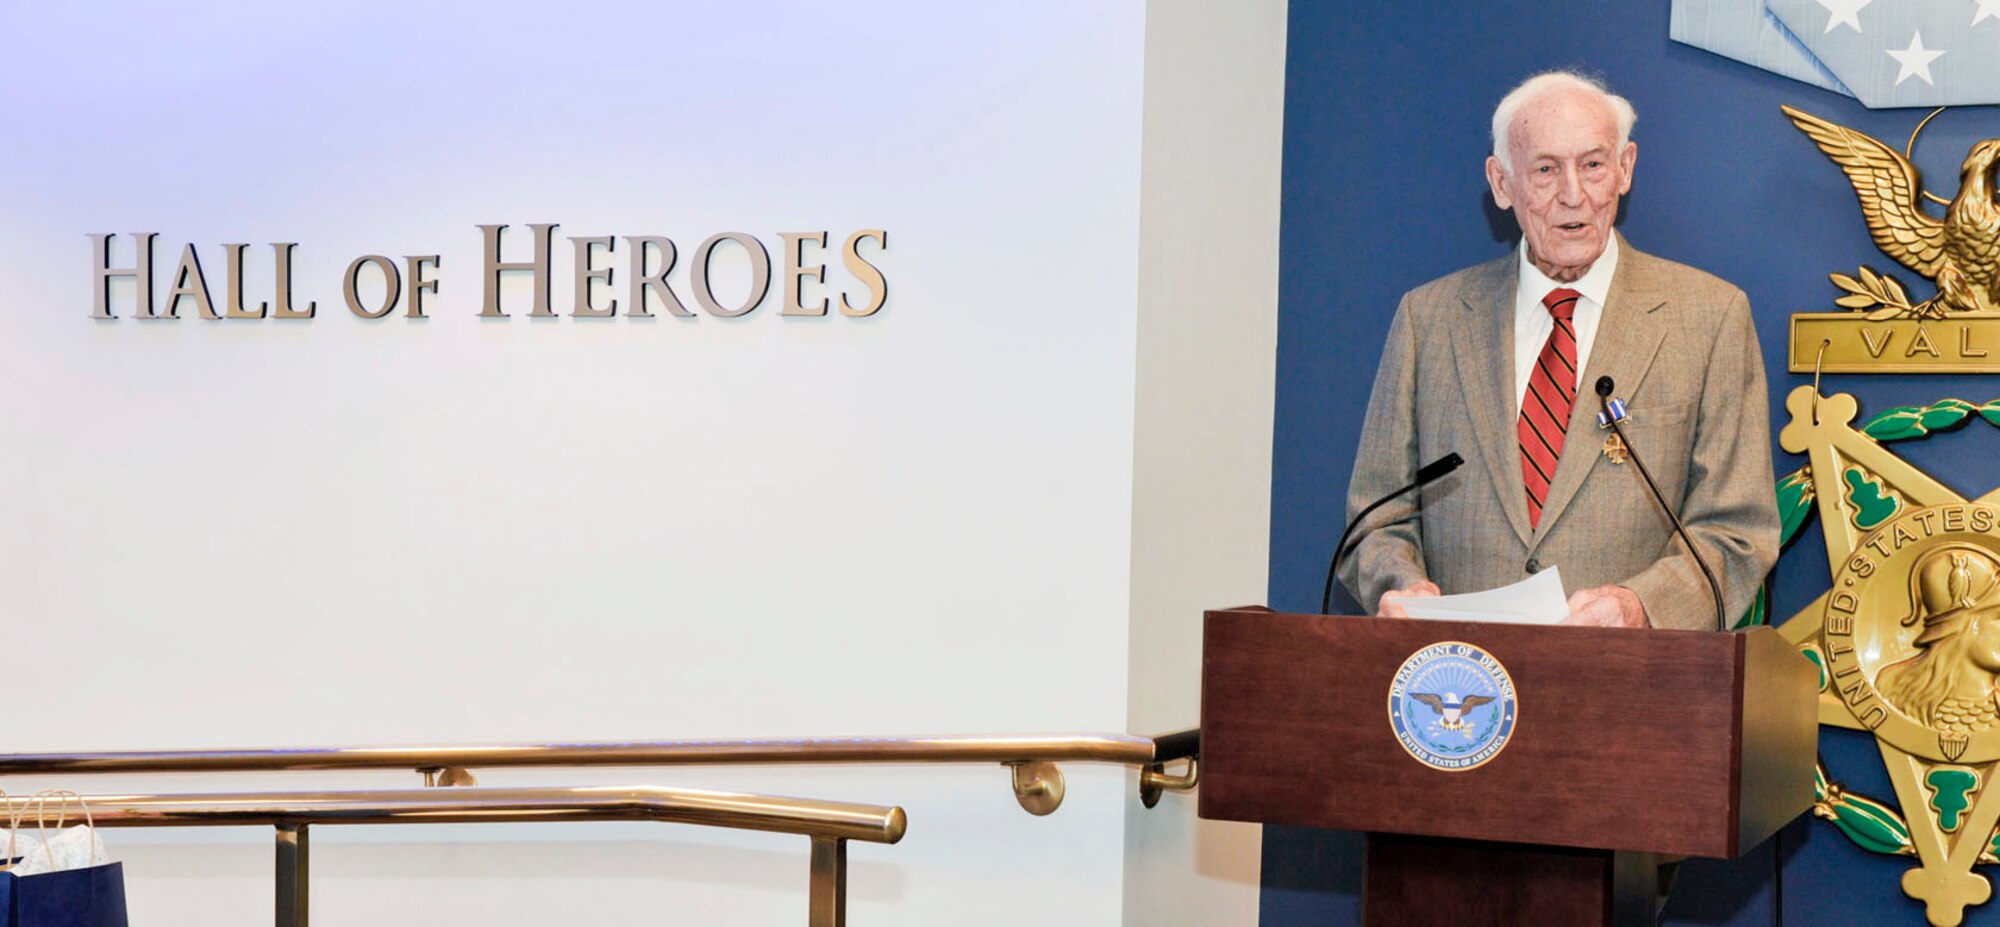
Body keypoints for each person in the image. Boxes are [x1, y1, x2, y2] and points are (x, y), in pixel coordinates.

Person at [1339, 70, 1779, 630]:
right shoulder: (1430, 319)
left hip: (1629, 688)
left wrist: (1638, 606)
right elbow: (1375, 520)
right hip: (1456, 690)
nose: (1573, 194)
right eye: (1545, 169)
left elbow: (1737, 529)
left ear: (1625, 169)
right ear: (1501, 184)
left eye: (1593, 164)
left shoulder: (1710, 317)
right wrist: (1401, 585)